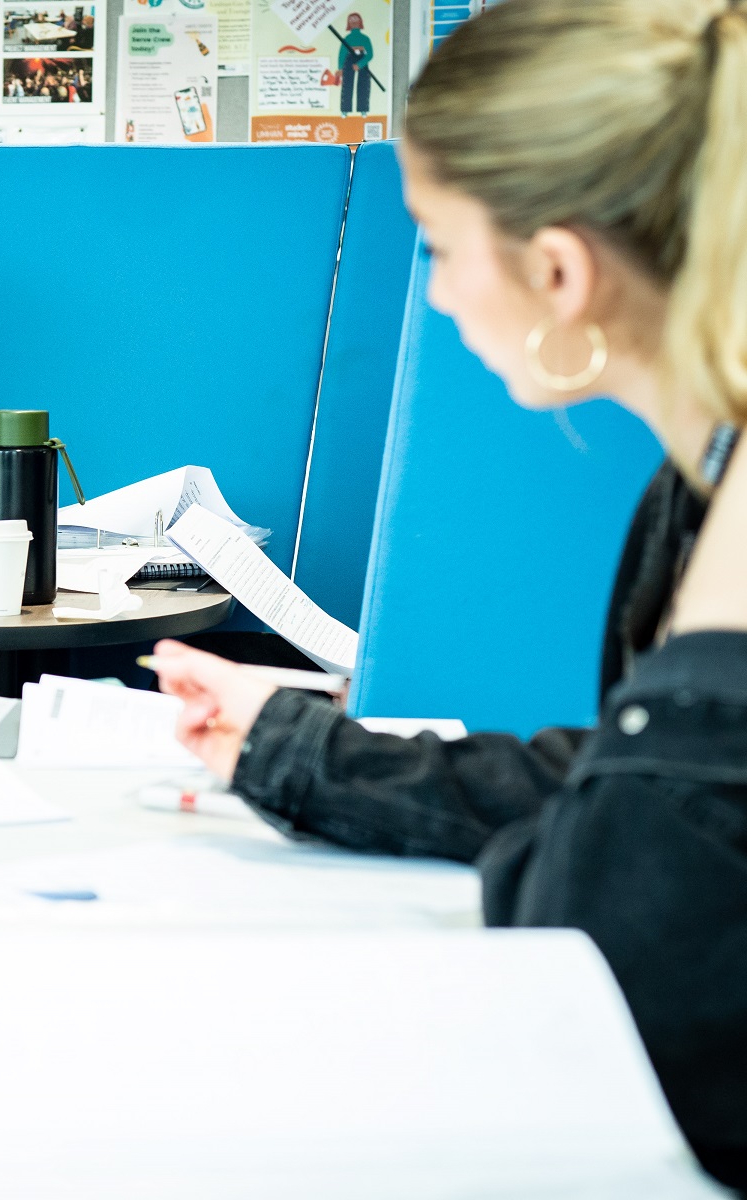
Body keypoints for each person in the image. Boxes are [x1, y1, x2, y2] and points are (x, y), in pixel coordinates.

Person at [152, 0, 747, 1182]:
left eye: (437, 244)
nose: (433, 295)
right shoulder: (698, 487)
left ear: (558, 268)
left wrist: (544, 868)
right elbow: (616, 789)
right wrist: (293, 748)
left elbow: (642, 947)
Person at [337, 12, 373, 116]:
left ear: (360, 22)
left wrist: (360, 64)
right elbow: (342, 54)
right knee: (347, 84)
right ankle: (345, 109)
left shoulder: (365, 39)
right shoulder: (347, 39)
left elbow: (370, 54)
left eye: (356, 20)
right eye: (351, 20)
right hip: (348, 60)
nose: (354, 22)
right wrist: (340, 68)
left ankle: (363, 109)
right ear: (348, 23)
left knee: (364, 84)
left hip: (362, 59)